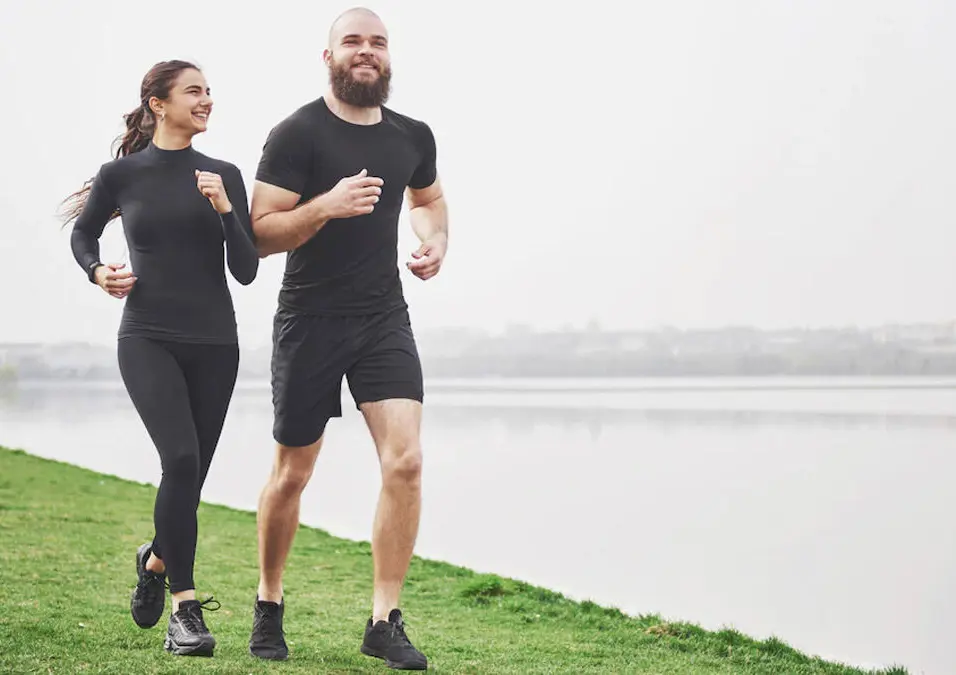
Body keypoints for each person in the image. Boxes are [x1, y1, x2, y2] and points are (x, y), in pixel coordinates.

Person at [246, 7, 448, 671]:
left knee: (407, 460)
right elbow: (259, 233)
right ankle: (269, 600)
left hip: (382, 317)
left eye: (378, 42)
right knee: (293, 473)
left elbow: (427, 200)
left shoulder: (412, 135)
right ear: (328, 55)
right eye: (353, 41)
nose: (367, 51)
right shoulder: (296, 133)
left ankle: (384, 619)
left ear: (389, 56)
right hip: (309, 319)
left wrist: (435, 241)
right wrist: (324, 207)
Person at [63, 59, 259, 658]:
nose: (207, 100)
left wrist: (226, 209)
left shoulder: (223, 175)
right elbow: (83, 234)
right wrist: (97, 271)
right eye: (194, 91)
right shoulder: (120, 175)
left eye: (209, 91)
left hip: (216, 344)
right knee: (180, 457)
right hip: (146, 337)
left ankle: (154, 561)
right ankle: (185, 611)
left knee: (189, 478)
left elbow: (246, 271)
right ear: (158, 103)